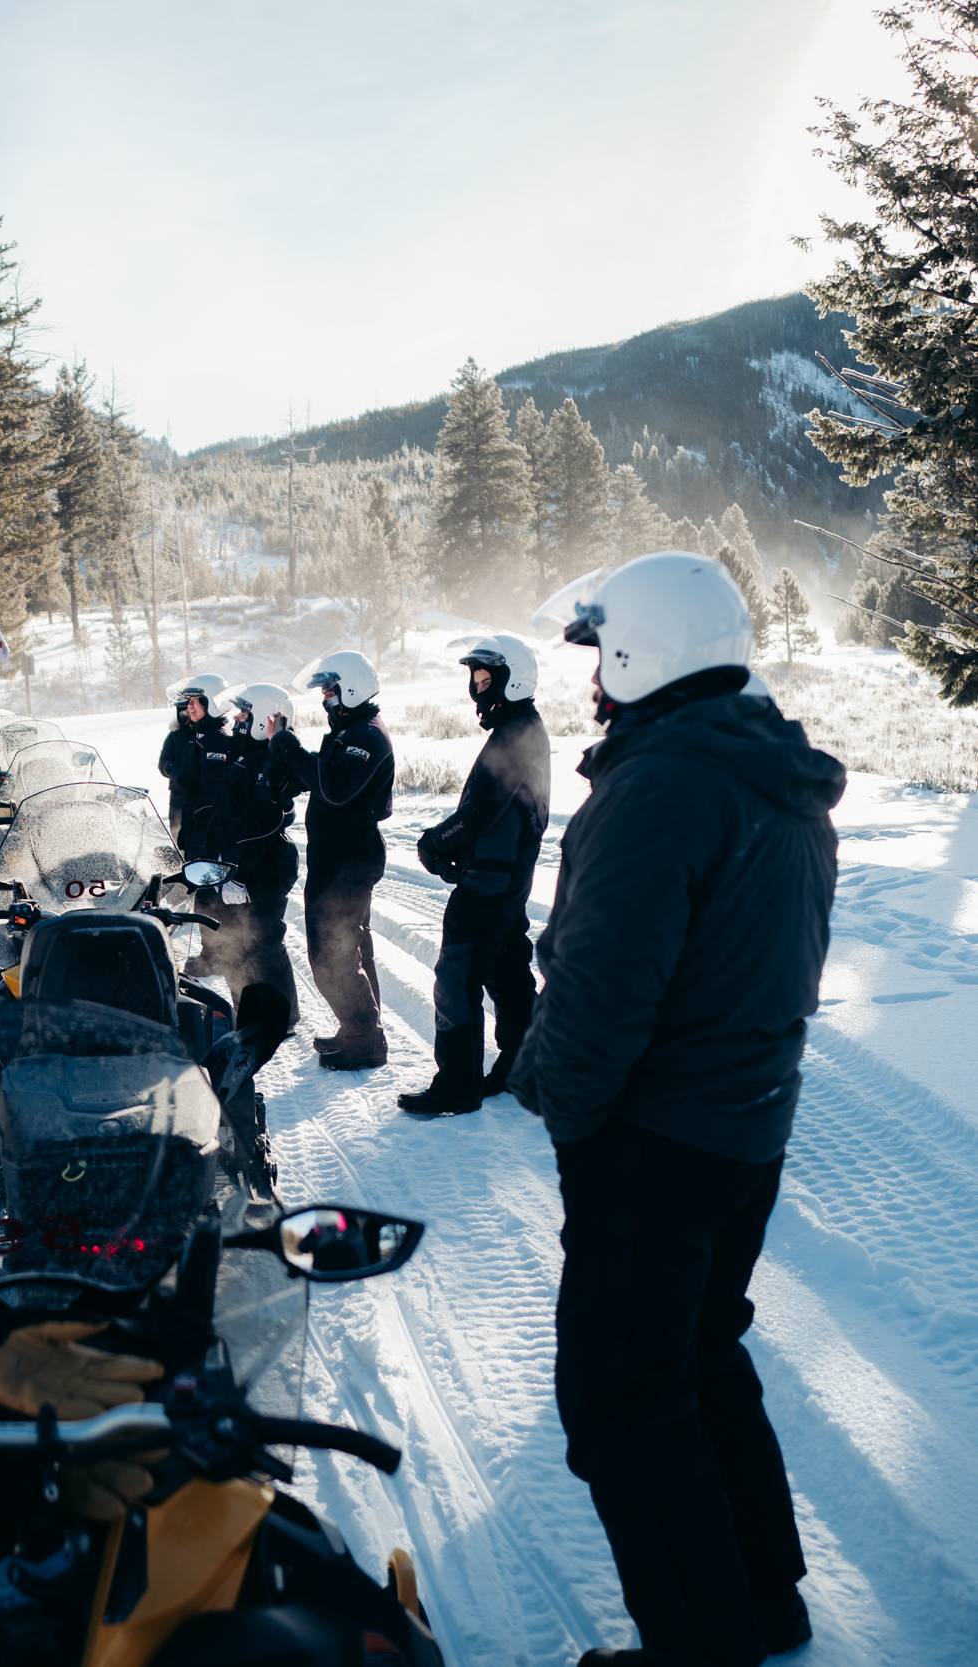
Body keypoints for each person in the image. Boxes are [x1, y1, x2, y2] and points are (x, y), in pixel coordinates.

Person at [508, 552, 845, 1667]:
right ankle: (761, 1598)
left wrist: (563, 1110)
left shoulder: (660, 784)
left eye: (596, 655)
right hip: (744, 1126)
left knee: (616, 1394)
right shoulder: (765, 772)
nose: (589, 682)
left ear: (634, 651)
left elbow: (603, 991)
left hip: (653, 1139)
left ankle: (697, 1644)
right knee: (697, 1353)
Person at [399, 635, 550, 1118]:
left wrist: (435, 842)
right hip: (503, 875)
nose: (480, 691)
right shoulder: (521, 727)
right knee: (506, 969)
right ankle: (524, 1066)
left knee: (457, 976)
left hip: (490, 882)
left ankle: (457, 1086)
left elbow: (482, 809)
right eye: (476, 681)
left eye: (488, 681)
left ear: (513, 681)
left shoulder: (514, 735)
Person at [268, 650, 394, 1071]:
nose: (325, 698)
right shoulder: (350, 732)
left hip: (348, 861)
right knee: (352, 947)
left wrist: (290, 747)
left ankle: (364, 1040)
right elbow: (321, 779)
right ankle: (361, 1029)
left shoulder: (366, 736)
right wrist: (287, 766)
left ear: (352, 687)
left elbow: (335, 787)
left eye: (331, 690)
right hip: (339, 856)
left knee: (332, 954)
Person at [187, 682, 301, 1028]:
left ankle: (283, 1017)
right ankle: (248, 1011)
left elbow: (262, 822)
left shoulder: (268, 760)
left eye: (245, 713)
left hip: (264, 866)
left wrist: (237, 872)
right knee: (235, 939)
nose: (237, 718)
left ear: (263, 718)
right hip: (238, 862)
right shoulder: (245, 752)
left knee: (263, 940)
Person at [158, 670, 227, 841]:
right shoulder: (177, 735)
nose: (188, 710)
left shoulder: (214, 737)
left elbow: (211, 787)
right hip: (179, 796)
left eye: (193, 703)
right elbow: (163, 762)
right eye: (186, 705)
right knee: (177, 834)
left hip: (204, 818)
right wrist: (175, 772)